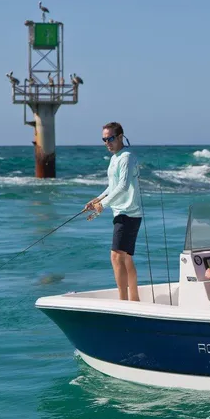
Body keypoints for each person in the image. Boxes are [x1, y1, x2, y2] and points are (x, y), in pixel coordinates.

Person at [85, 122, 143, 301]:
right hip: (123, 212)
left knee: (116, 257)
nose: (107, 143)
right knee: (125, 258)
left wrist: (104, 204)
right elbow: (112, 187)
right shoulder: (115, 158)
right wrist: (97, 200)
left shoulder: (126, 157)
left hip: (128, 212)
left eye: (110, 138)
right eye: (104, 140)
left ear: (120, 137)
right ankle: (134, 299)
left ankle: (123, 301)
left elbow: (124, 187)